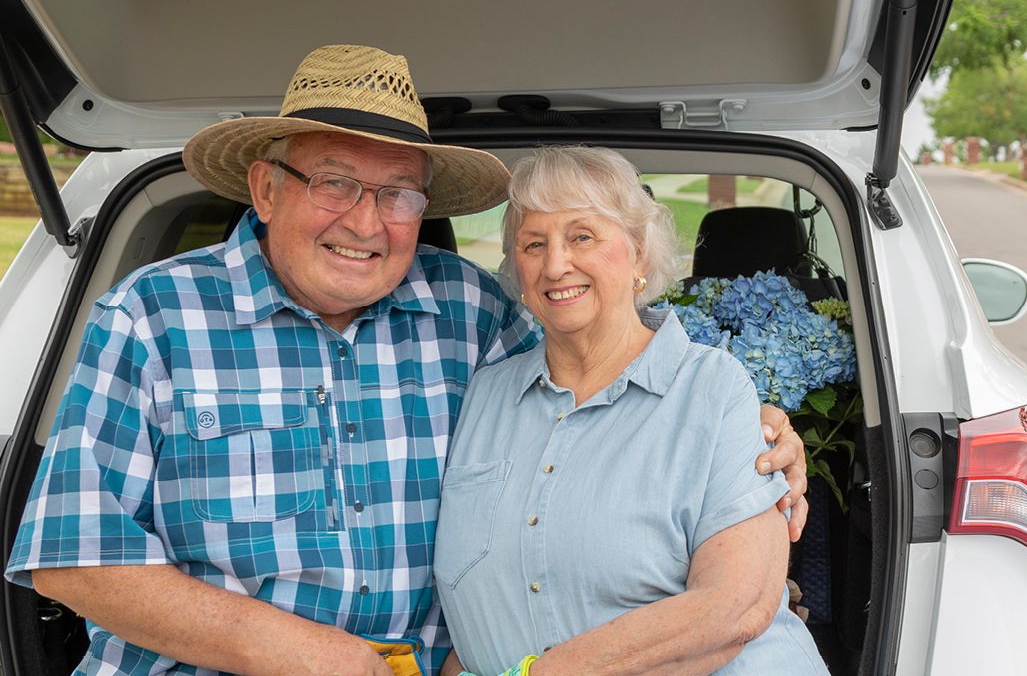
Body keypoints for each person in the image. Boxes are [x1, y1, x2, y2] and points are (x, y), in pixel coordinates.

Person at [5, 46, 807, 676]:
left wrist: (752, 430)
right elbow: (75, 559)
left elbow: (601, 381)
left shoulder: (470, 313)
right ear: (265, 188)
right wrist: (303, 653)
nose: (367, 221)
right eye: (335, 182)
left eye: (398, 195)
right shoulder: (152, 318)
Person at [434, 146, 829, 676]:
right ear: (516, 272)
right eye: (533, 244)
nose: (555, 264)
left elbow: (735, 607)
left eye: (582, 237)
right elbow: (478, 609)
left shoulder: (712, 390)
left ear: (639, 253)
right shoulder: (484, 396)